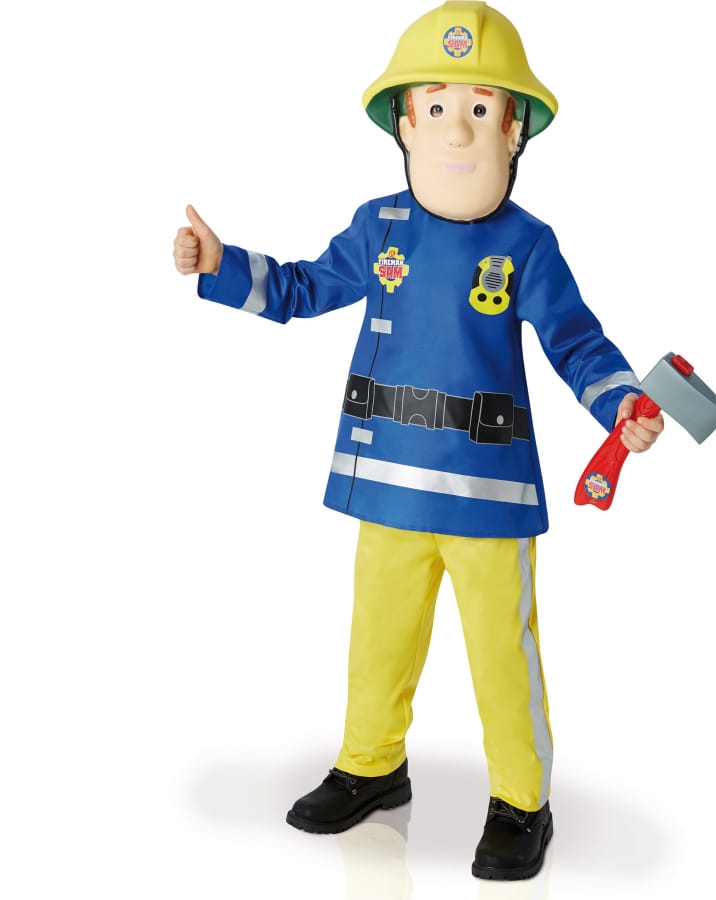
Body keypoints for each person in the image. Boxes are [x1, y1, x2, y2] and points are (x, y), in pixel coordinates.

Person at [173, 1, 662, 881]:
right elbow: (305, 287)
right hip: (389, 483)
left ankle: (522, 800)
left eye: (479, 107)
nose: (456, 129)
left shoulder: (528, 246)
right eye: (436, 107)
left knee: (501, 655)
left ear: (514, 129)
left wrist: (621, 402)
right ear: (405, 123)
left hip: (487, 496)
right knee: (378, 639)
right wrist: (220, 264)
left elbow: (577, 342)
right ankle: (370, 766)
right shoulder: (379, 227)